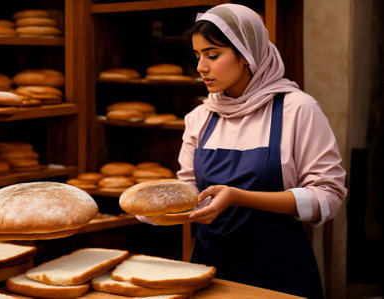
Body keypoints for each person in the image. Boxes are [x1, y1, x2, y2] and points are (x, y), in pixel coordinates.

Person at [138, 3, 347, 299]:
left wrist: (238, 196)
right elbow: (189, 189)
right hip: (210, 267)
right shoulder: (201, 116)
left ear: (247, 54)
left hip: (278, 269)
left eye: (213, 55)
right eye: (197, 56)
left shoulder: (297, 109)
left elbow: (328, 196)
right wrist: (158, 206)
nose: (201, 67)